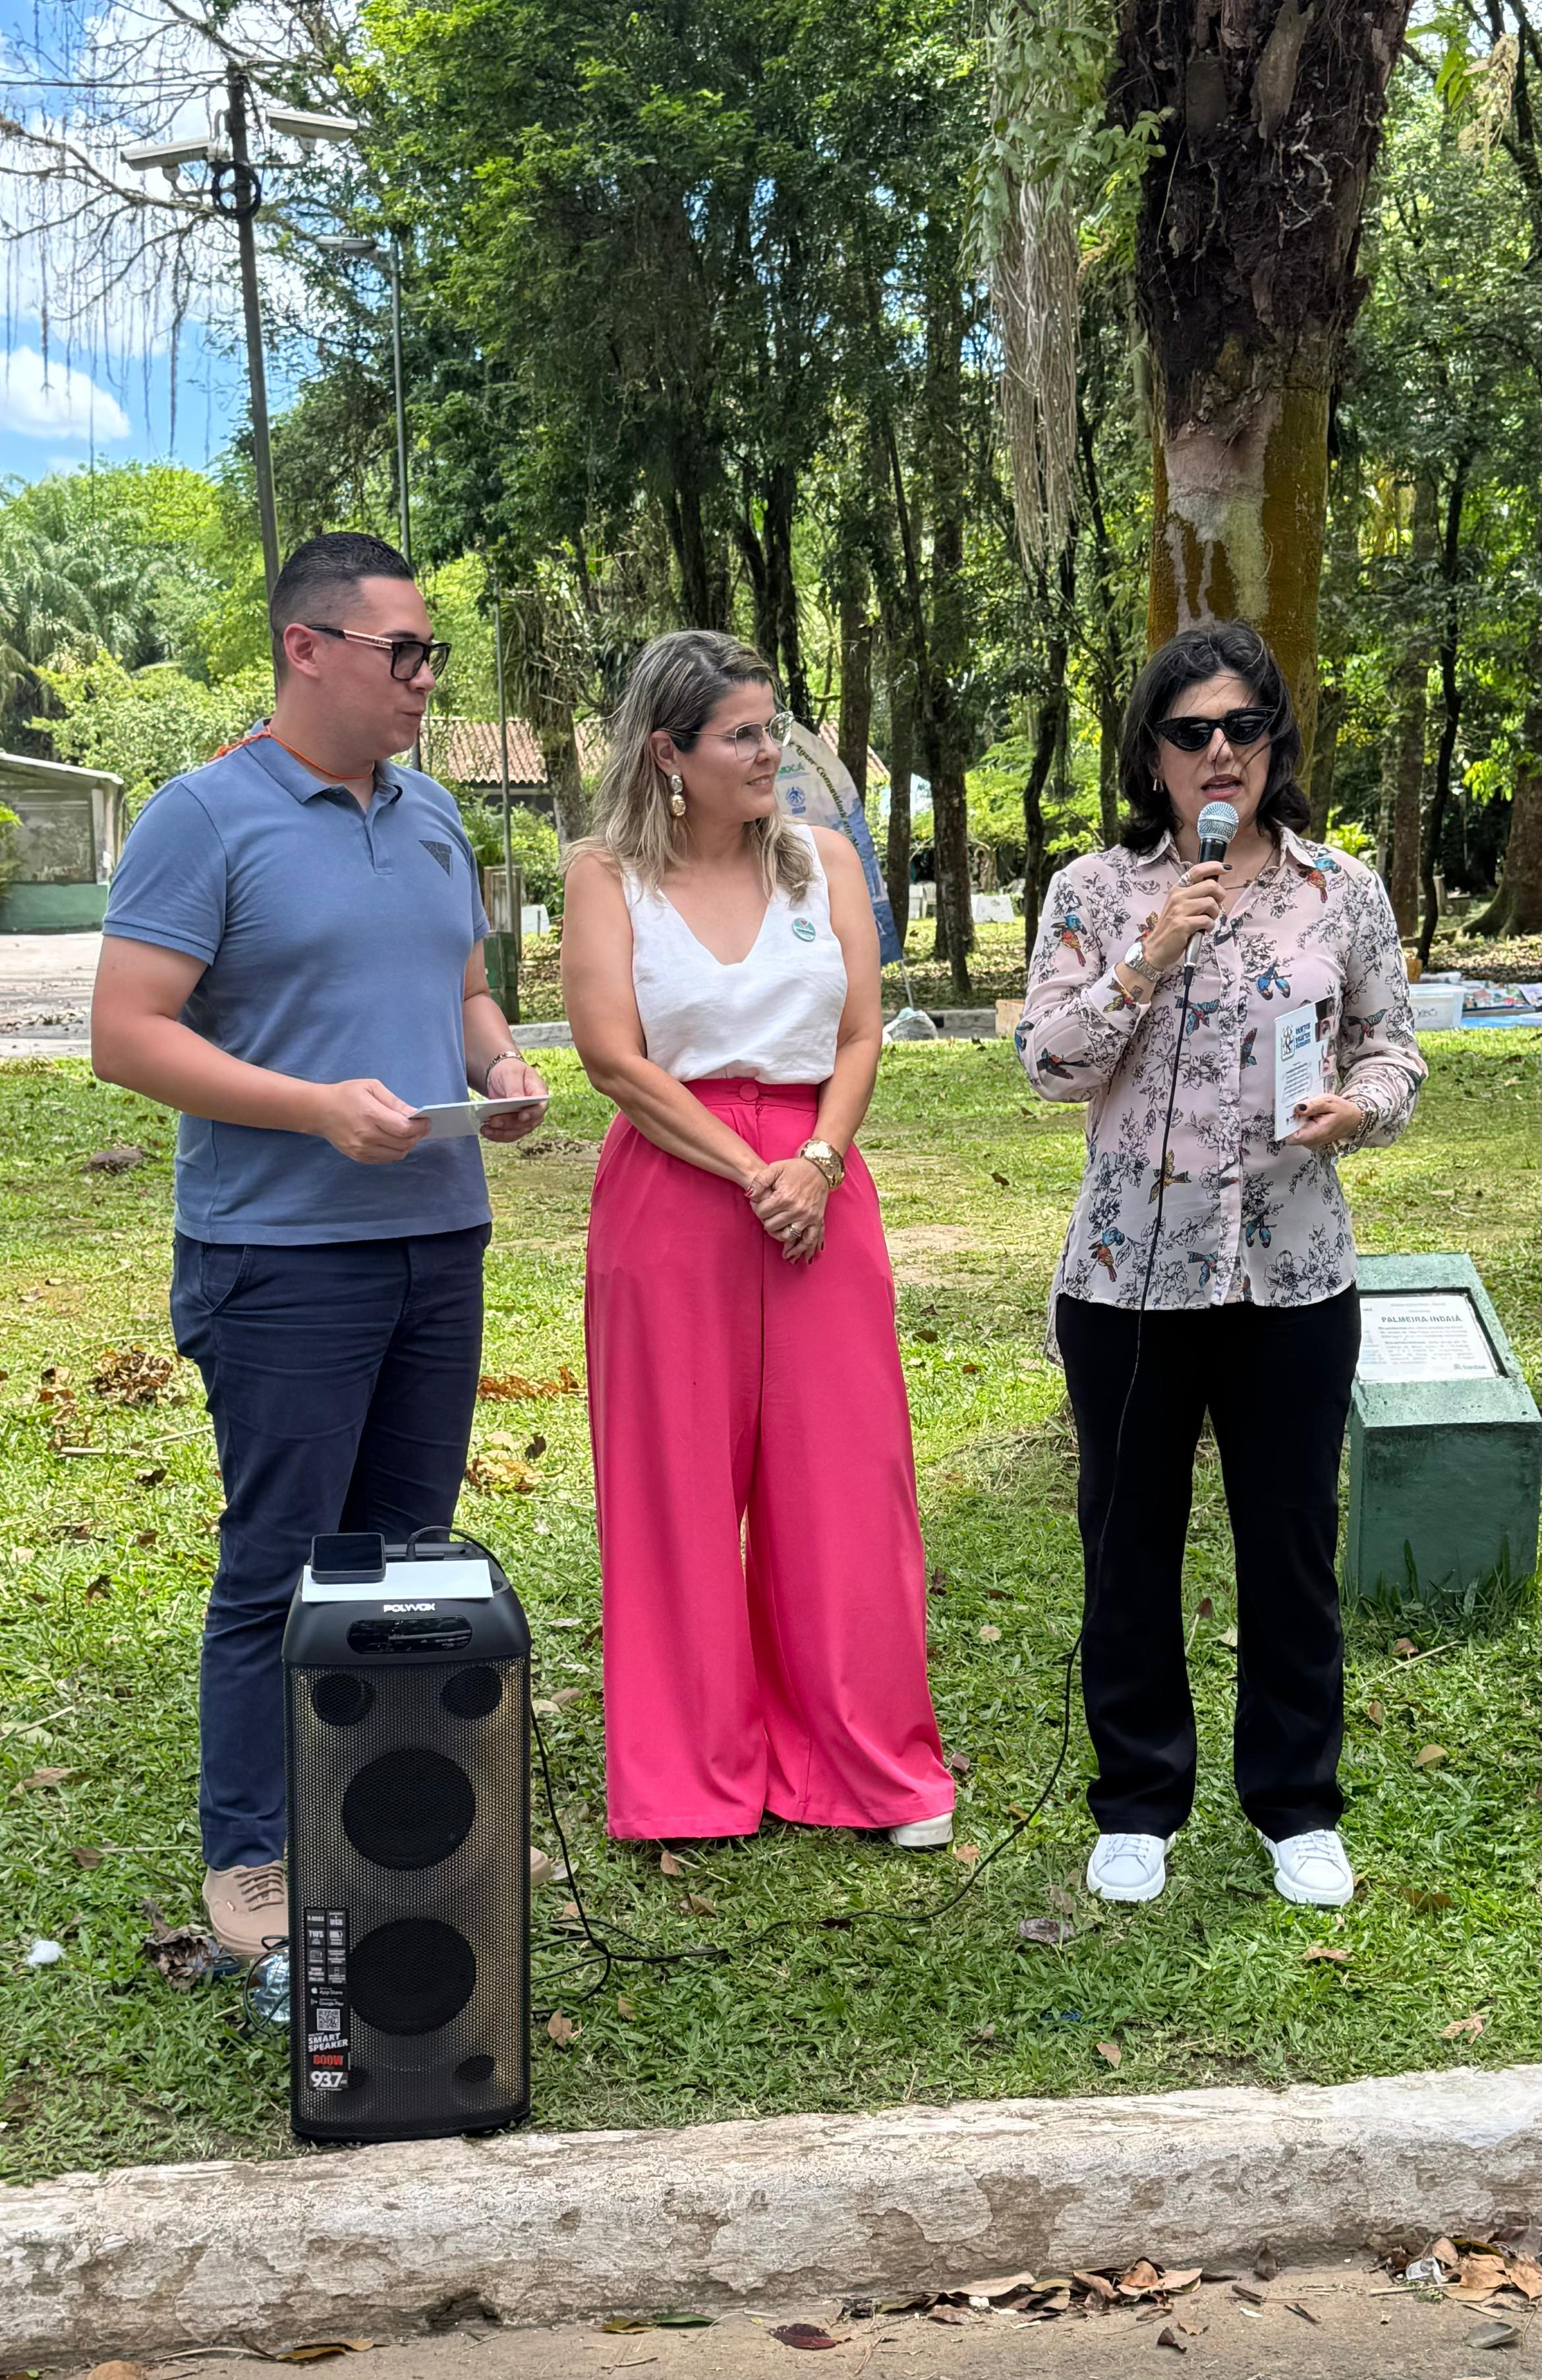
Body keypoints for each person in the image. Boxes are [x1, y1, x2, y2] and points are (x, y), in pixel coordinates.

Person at [92, 531, 550, 1961]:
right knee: (280, 1560)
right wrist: (312, 1107)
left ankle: (395, 1820)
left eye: (431, 654)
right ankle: (250, 1850)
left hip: (438, 1237)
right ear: (307, 647)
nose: (425, 679)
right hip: (283, 1256)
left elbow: (461, 989)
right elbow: (126, 1036)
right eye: (402, 652)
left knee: (407, 1561)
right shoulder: (203, 817)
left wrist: (497, 1065)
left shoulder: (432, 815)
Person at [1017, 620, 1425, 1911]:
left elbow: (1393, 1048)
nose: (1220, 752)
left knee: (1290, 1540)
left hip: (1292, 1274)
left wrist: (1361, 1108)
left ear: (1275, 744)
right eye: (1191, 732)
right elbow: (1047, 1064)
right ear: (1152, 755)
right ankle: (1139, 1802)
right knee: (1129, 1540)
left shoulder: (1340, 892)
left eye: (1244, 727)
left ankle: (1296, 1805)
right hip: (1128, 1280)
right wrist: (1149, 958)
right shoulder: (1095, 892)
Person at [561, 629, 954, 1849]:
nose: (769, 750)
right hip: (676, 1184)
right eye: (741, 734)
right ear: (668, 753)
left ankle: (867, 1767)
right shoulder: (606, 876)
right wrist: (749, 1172)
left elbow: (860, 1035)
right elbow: (613, 1060)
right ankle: (690, 1777)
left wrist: (818, 1163)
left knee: (846, 1478)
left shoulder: (824, 863)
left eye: (772, 726)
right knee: (674, 1483)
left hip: (819, 1179)